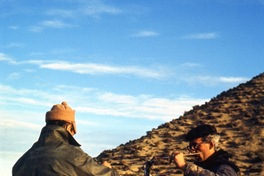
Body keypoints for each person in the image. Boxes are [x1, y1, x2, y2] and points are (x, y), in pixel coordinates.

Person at [13, 101, 119, 176]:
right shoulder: (73, 155)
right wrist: (107, 169)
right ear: (68, 126)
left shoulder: (21, 162)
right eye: (73, 128)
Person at [172, 124, 240, 176]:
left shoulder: (225, 168)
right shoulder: (199, 168)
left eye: (195, 145)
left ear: (210, 145)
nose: (192, 150)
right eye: (190, 146)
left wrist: (184, 166)